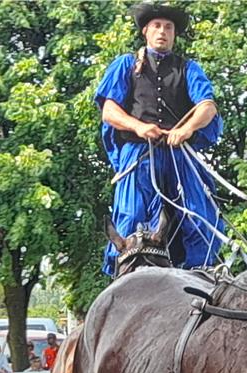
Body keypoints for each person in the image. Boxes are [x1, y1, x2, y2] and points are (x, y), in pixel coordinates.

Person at [96, 2, 224, 276]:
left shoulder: (188, 69)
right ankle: (126, 276)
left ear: (174, 34)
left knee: (196, 217)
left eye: (168, 27)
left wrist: (187, 129)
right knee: (131, 216)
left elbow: (207, 107)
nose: (162, 31)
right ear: (146, 31)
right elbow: (109, 111)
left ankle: (202, 274)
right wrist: (138, 127)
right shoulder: (126, 65)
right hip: (139, 155)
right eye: (157, 26)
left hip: (179, 155)